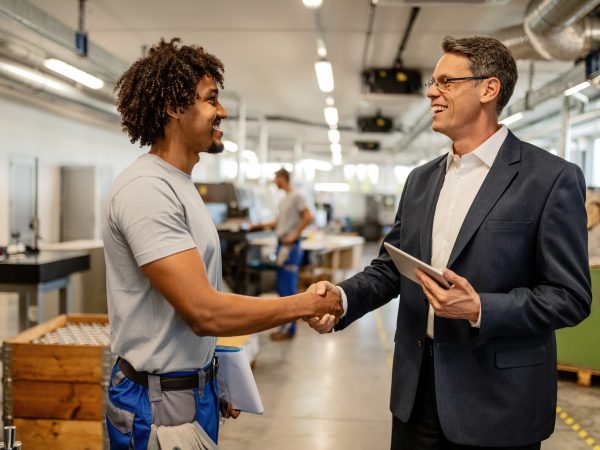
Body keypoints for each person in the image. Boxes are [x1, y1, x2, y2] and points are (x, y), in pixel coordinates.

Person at [308, 35, 591, 450]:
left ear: (488, 89)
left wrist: (480, 308)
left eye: (446, 82)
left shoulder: (550, 179)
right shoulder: (421, 179)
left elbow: (570, 296)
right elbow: (391, 267)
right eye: (432, 82)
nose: (430, 92)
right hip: (416, 391)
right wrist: (341, 299)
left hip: (497, 399)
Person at [103, 37, 342, 450]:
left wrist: (210, 378)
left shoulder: (179, 186)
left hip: (188, 391)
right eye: (212, 99)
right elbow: (203, 311)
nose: (222, 112)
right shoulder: (147, 190)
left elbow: (189, 315)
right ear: (175, 108)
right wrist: (306, 304)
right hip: (156, 404)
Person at [249, 167, 313, 340]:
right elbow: (278, 222)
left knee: (288, 291)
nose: (274, 181)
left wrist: (294, 235)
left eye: (276, 178)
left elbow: (308, 217)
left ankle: (289, 330)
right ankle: (284, 328)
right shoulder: (284, 200)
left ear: (282, 178)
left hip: (290, 247)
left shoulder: (296, 196)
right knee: (281, 289)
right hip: (281, 245)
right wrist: (258, 226)